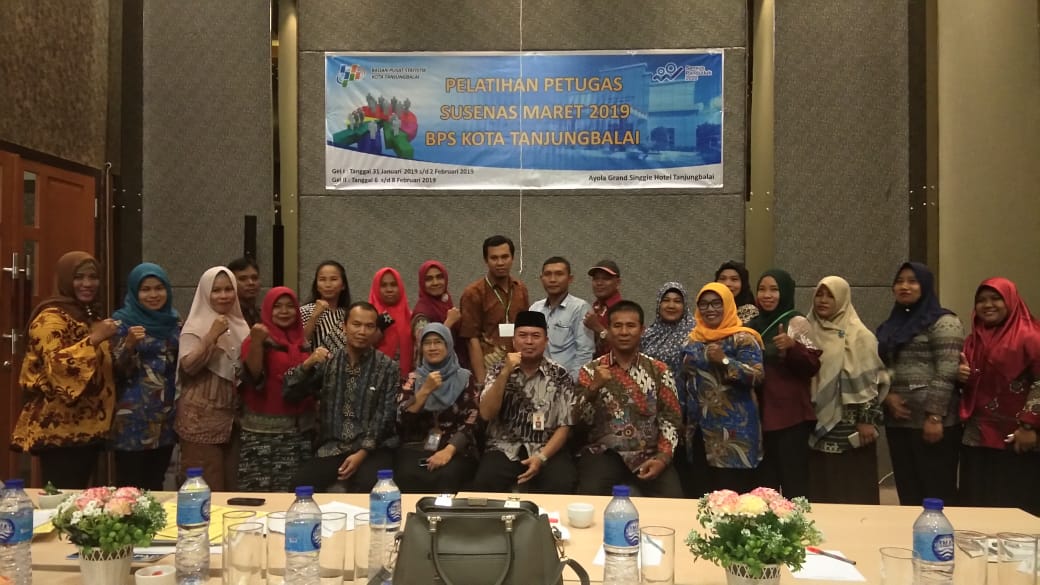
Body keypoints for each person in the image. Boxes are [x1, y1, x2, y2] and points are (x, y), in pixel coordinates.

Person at [11, 251, 117, 489]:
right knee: (61, 500)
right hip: (59, 430)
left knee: (82, 501)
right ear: (66, 279)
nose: (87, 284)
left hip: (88, 428)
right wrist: (95, 339)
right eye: (79, 277)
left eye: (93, 277)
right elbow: (57, 368)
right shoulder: (50, 319)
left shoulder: (87, 315)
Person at [284, 302, 398, 492]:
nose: (362, 331)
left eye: (369, 326)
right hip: (333, 446)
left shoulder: (388, 367)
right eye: (356, 324)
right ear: (344, 327)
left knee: (368, 487)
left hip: (373, 448)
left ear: (376, 331)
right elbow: (290, 393)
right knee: (300, 485)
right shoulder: (329, 362)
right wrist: (306, 365)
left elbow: (385, 417)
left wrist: (362, 453)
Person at [875, 261, 963, 506]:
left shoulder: (944, 321)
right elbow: (880, 366)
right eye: (899, 281)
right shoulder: (891, 325)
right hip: (899, 421)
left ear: (925, 285)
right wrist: (887, 396)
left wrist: (934, 416)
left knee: (936, 491)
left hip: (933, 423)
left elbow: (947, 370)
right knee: (908, 491)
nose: (905, 286)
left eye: (912, 281)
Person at [575, 301, 683, 497]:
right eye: (617, 326)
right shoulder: (590, 371)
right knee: (590, 497)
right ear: (608, 330)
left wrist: (662, 458)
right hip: (603, 453)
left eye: (631, 326)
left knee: (673, 500)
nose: (624, 332)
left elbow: (671, 420)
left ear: (642, 330)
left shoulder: (659, 370)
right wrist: (593, 388)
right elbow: (577, 420)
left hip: (649, 453)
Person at [958, 277, 1040, 515]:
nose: (987, 305)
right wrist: (960, 375)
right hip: (977, 434)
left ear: (1011, 301)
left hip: (1017, 435)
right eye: (981, 300)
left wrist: (1029, 426)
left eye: (995, 299)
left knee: (1014, 502)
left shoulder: (1032, 336)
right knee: (977, 500)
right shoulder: (973, 340)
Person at [473, 311, 577, 493]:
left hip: (546, 447)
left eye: (536, 336)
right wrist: (505, 373)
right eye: (523, 335)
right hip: (504, 447)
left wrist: (541, 457)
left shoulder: (560, 375)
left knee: (563, 482)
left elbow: (565, 426)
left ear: (546, 341)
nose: (529, 341)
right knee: (485, 482)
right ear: (514, 341)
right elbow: (486, 414)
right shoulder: (497, 370)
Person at [806, 276, 889, 505]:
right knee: (821, 485)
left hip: (850, 425)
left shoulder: (860, 335)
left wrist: (866, 420)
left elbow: (871, 382)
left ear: (842, 299)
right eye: (819, 294)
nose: (823, 300)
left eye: (830, 296)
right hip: (814, 422)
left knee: (851, 486)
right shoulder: (806, 330)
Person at [681, 283, 765, 493]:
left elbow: (757, 377)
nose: (710, 309)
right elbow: (685, 380)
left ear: (728, 304)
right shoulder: (692, 340)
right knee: (702, 497)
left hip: (734, 433)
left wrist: (725, 361)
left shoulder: (743, 339)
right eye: (704, 304)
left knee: (733, 499)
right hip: (699, 432)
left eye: (716, 303)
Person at [174, 266, 249, 490]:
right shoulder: (194, 326)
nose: (223, 295)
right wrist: (211, 336)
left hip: (233, 422)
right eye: (216, 290)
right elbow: (188, 366)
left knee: (232, 491)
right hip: (200, 423)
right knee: (205, 489)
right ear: (206, 293)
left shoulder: (240, 324)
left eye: (229, 289)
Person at [748, 269, 820, 499]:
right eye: (762, 289)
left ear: (786, 292)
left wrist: (792, 347)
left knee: (794, 485)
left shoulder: (796, 322)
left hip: (790, 417)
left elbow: (813, 365)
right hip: (759, 416)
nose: (767, 295)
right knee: (764, 490)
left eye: (774, 289)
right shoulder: (752, 326)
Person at [110, 262, 181, 491]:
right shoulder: (120, 323)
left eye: (159, 288)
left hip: (165, 419)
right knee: (129, 488)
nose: (153, 295)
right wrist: (129, 345)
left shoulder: (173, 323)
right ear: (134, 292)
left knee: (156, 485)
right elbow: (113, 370)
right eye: (145, 289)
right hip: (132, 419)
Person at [238, 287, 316, 492]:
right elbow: (253, 376)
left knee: (296, 493)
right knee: (263, 495)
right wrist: (257, 342)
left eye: (290, 306)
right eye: (277, 306)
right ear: (267, 309)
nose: (284, 311)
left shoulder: (302, 341)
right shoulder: (256, 338)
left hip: (301, 433)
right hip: (264, 435)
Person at [395, 323, 480, 493]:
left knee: (447, 475)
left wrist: (448, 451)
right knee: (406, 474)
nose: (432, 347)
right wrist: (425, 390)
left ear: (448, 345)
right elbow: (402, 420)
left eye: (438, 342)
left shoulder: (465, 378)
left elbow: (471, 421)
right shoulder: (413, 379)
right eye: (427, 343)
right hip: (418, 446)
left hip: (455, 448)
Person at [459, 235, 529, 384]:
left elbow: (526, 331)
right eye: (494, 258)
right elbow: (471, 340)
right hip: (490, 370)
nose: (500, 263)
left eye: (505, 257)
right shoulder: (473, 293)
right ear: (486, 260)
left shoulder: (520, 289)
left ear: (513, 258)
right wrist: (482, 381)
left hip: (519, 369)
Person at [529, 256, 595, 381]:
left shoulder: (580, 308)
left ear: (570, 279)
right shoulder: (535, 308)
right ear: (541, 279)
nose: (552, 279)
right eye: (548, 274)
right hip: (537, 381)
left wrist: (572, 384)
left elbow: (585, 352)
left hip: (566, 382)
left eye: (559, 274)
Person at [411, 260, 465, 367]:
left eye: (439, 277)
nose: (435, 282)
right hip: (433, 372)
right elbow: (424, 347)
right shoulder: (421, 314)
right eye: (429, 279)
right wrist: (449, 322)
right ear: (422, 283)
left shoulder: (445, 303)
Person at [640, 282, 696, 378]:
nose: (671, 306)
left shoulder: (694, 333)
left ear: (685, 306)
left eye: (677, 301)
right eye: (666, 300)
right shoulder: (648, 335)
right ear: (659, 304)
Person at [369, 267, 413, 378]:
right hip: (374, 378)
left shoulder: (410, 316)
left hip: (405, 379)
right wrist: (379, 327)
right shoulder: (367, 316)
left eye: (393, 285)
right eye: (383, 285)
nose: (389, 289)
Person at [300, 260, 351, 352]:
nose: (328, 285)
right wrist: (314, 316)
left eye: (333, 279)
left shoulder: (348, 314)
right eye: (322, 279)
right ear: (316, 285)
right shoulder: (305, 311)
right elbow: (300, 344)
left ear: (343, 285)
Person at [583, 259, 623, 356]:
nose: (599, 283)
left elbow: (624, 346)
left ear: (618, 282)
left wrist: (597, 327)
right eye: (596, 278)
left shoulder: (623, 310)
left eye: (606, 279)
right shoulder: (595, 307)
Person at [228, 256, 261, 327]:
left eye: (255, 278)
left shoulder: (263, 315)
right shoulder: (226, 317)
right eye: (243, 279)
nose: (251, 283)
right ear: (231, 282)